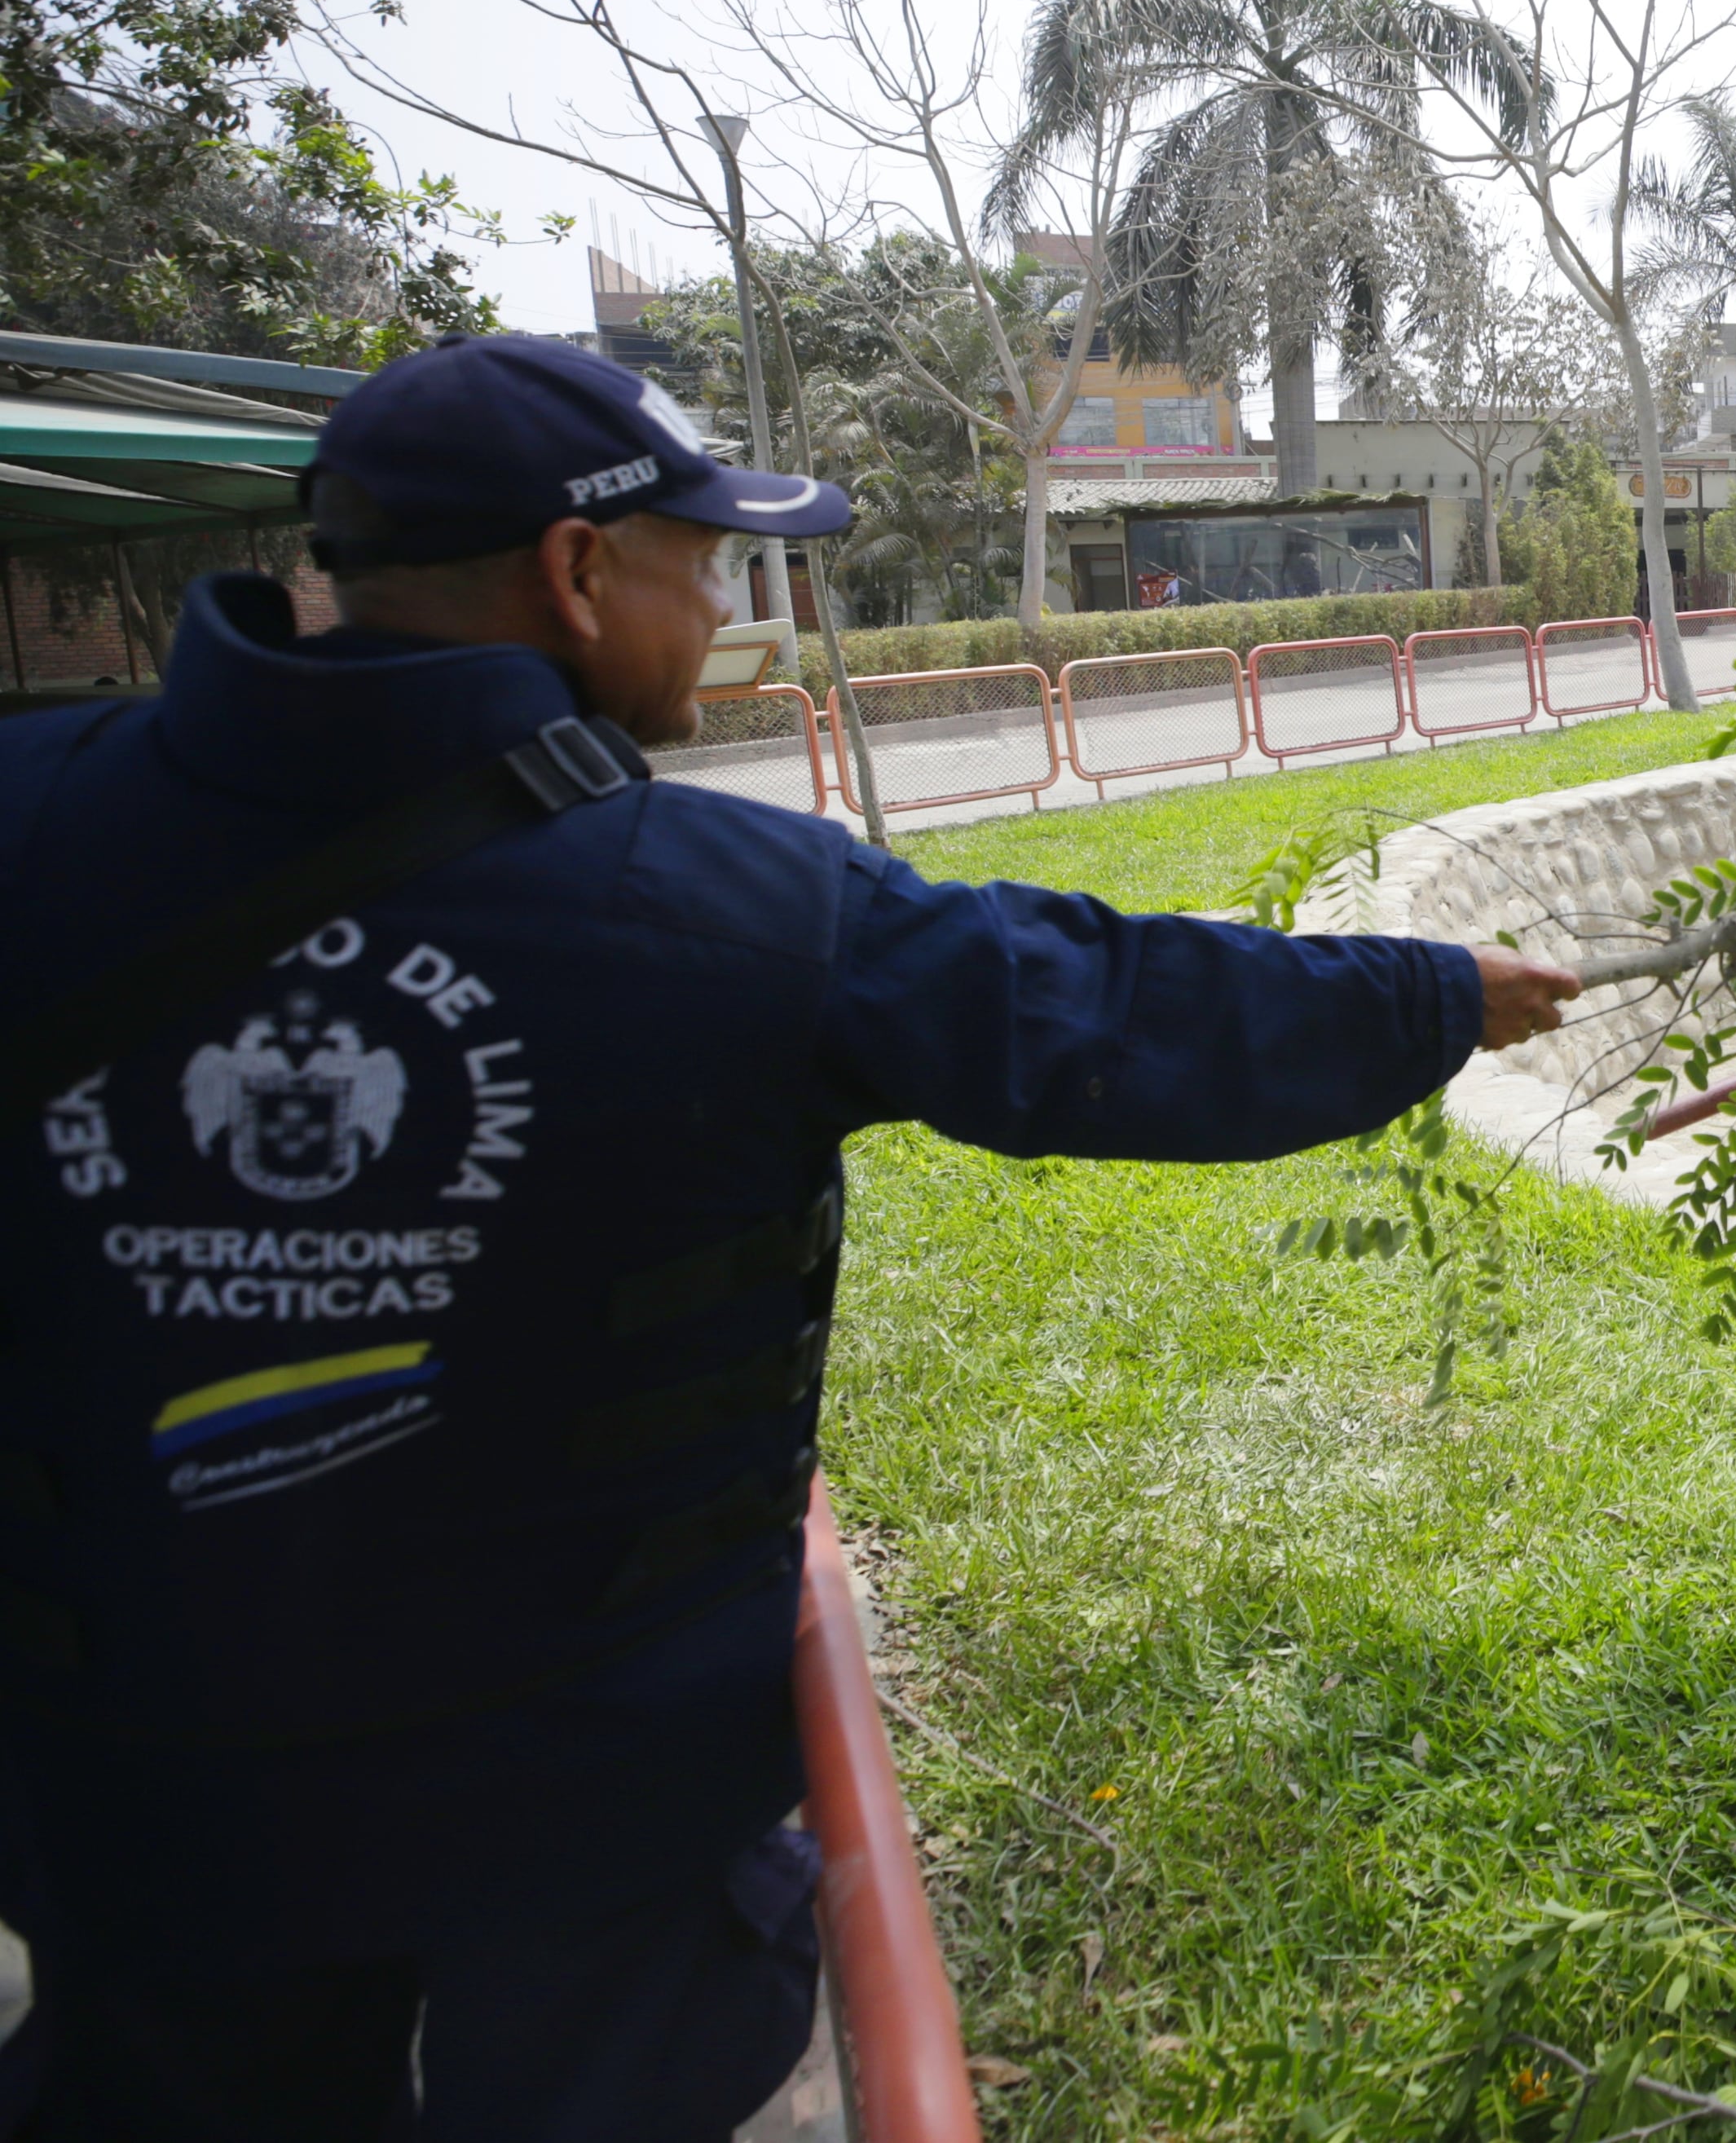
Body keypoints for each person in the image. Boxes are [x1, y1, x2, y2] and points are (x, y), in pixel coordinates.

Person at [0, 336, 1579, 2138]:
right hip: (590, 1818)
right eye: (704, 559)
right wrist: (1432, 995)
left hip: (136, 1785)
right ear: (578, 573)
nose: (728, 602)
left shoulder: (30, 823)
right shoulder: (738, 909)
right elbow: (1111, 1014)